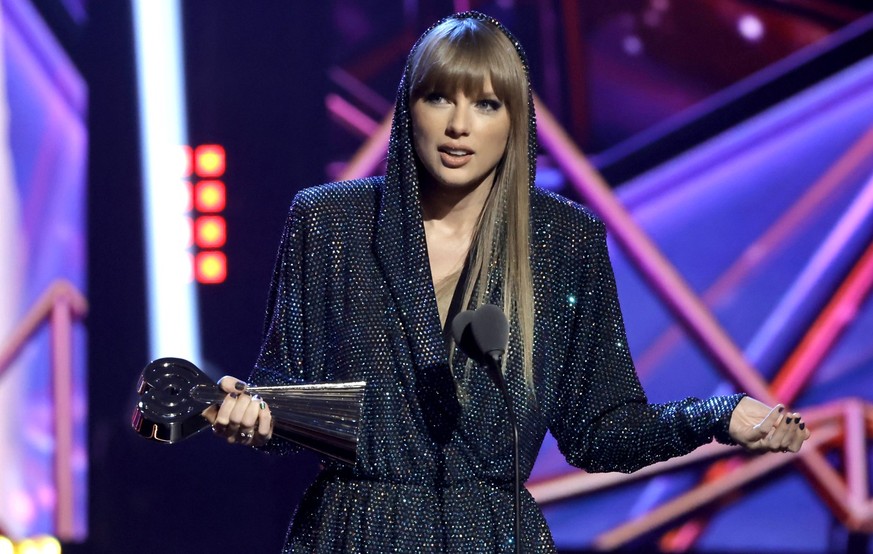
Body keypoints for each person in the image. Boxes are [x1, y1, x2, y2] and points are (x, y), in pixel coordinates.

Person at [205, 11, 810, 552]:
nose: (459, 127)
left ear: (516, 120)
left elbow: (602, 432)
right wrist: (256, 415)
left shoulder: (564, 242)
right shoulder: (331, 223)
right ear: (407, 108)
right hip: (355, 530)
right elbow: (289, 394)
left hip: (495, 534)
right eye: (439, 99)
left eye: (486, 104)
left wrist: (718, 416)